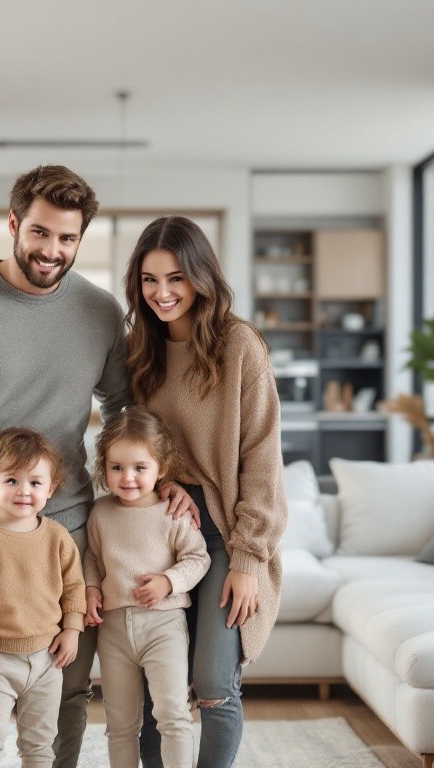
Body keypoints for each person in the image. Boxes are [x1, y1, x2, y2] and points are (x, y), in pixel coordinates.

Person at [0, 164, 195, 768]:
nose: (52, 251)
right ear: (13, 224)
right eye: (40, 233)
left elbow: (122, 409)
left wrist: (154, 483)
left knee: (65, 691)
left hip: (65, 530)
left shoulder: (100, 311)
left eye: (67, 238)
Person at [123, 216, 288, 768]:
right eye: (149, 280)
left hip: (226, 533)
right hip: (158, 529)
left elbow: (262, 455)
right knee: (154, 691)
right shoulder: (140, 352)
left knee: (215, 683)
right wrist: (164, 480)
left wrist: (247, 557)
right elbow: (140, 445)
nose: (163, 293)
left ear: (200, 277)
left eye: (176, 278)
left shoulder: (239, 345)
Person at [0, 428, 86, 768]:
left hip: (46, 661)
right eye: (11, 480)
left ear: (51, 488)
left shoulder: (57, 536)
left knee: (40, 748)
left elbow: (74, 586)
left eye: (35, 483)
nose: (24, 491)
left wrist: (72, 630)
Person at [83, 406, 209, 768]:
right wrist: (92, 589)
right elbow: (92, 557)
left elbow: (199, 559)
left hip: (164, 626)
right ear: (104, 467)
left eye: (140, 467)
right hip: (113, 630)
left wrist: (168, 581)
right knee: (120, 724)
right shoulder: (101, 513)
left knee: (173, 715)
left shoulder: (173, 513)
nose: (128, 478)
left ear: (161, 468)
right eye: (117, 467)